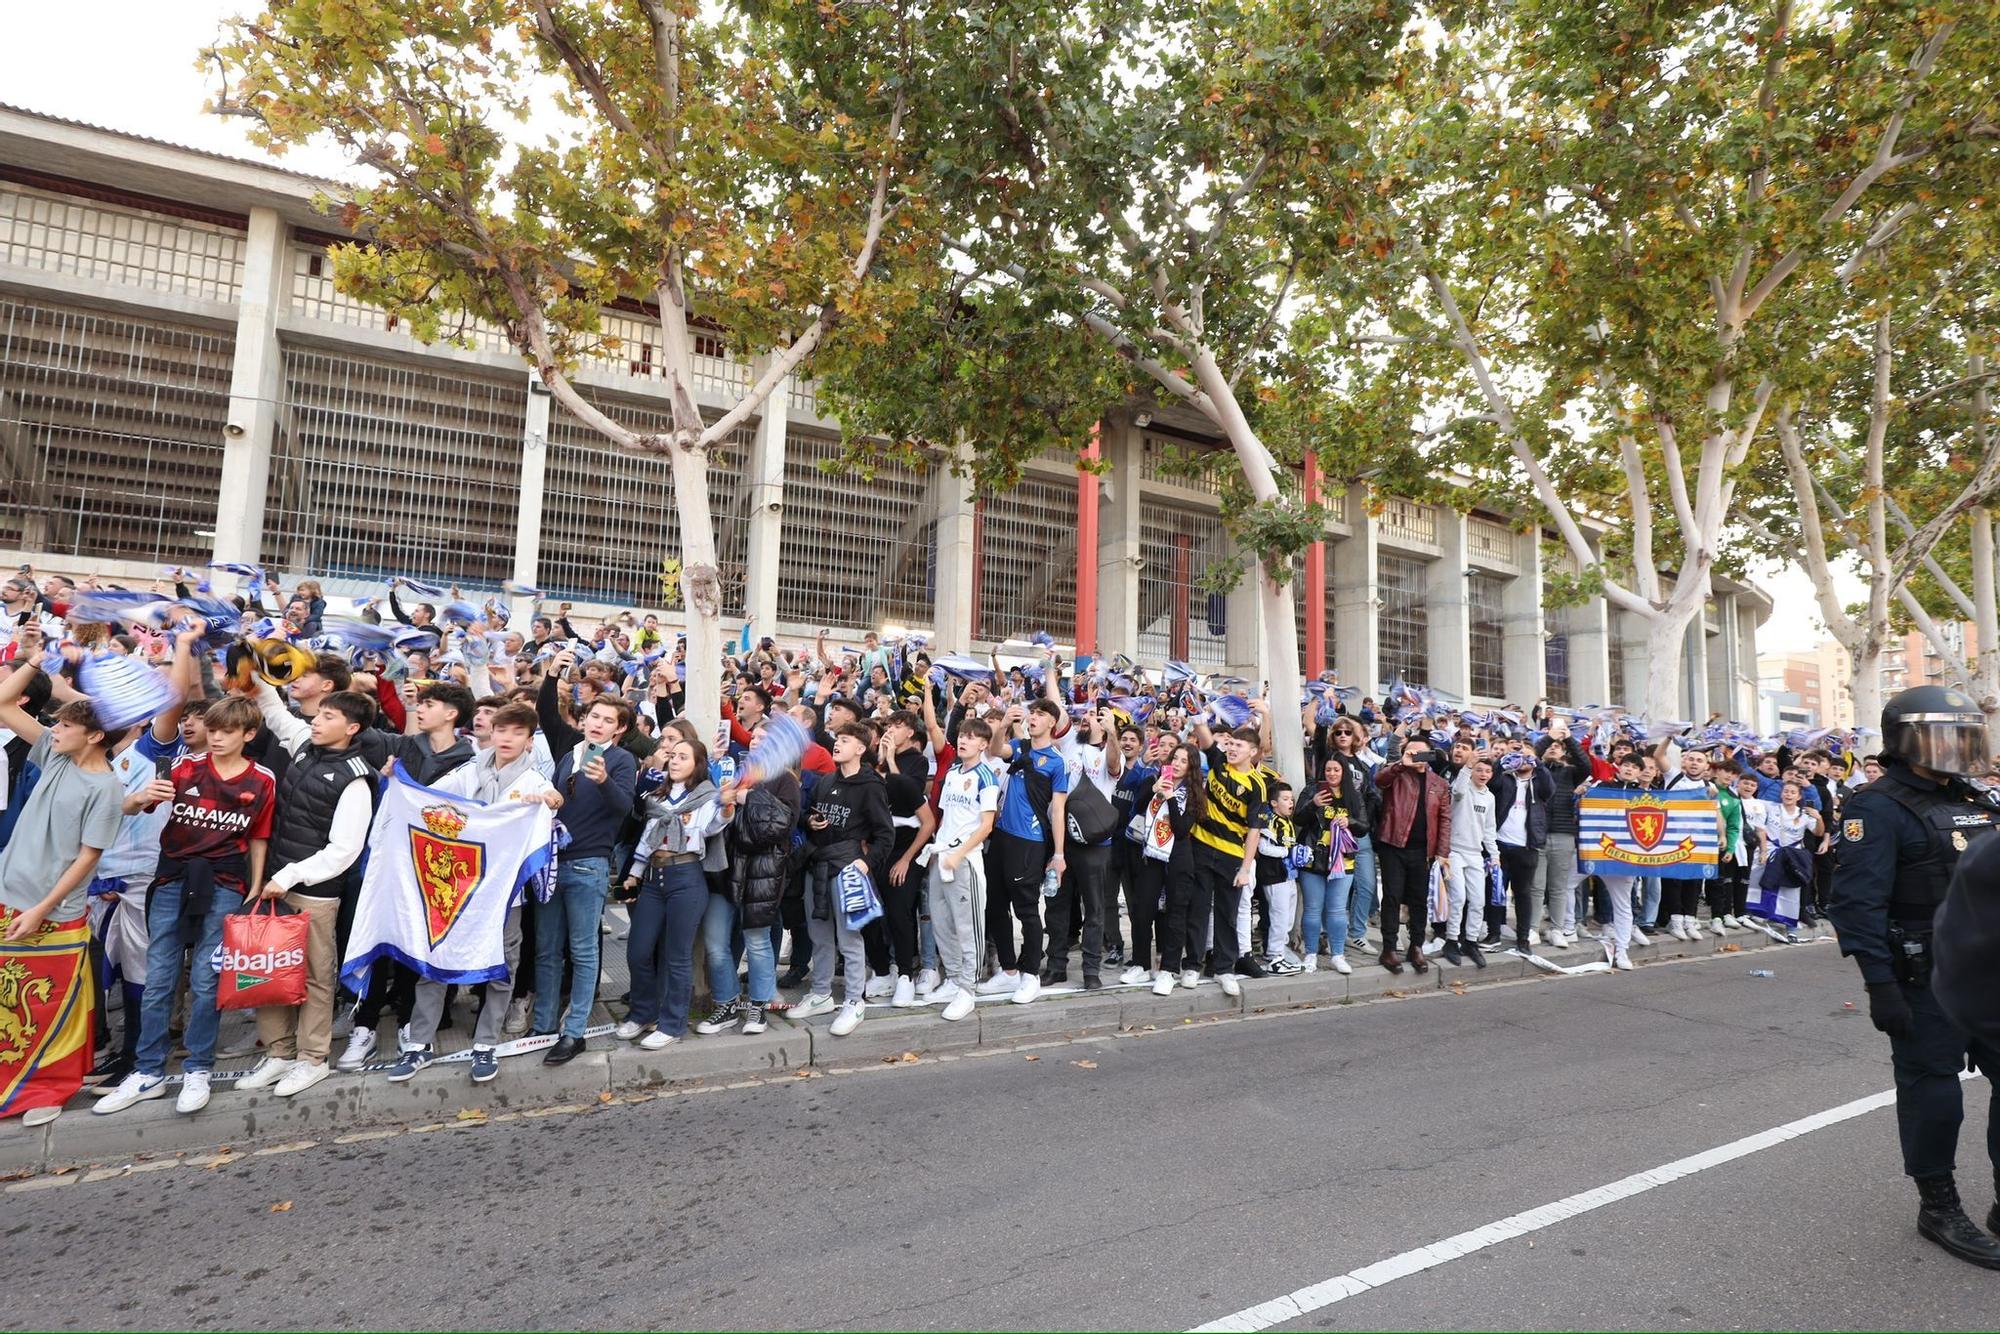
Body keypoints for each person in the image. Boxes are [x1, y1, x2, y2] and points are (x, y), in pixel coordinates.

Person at [1827, 685, 2000, 1269]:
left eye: (1963, 735)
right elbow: (1855, 903)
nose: (1954, 748)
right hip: (1926, 976)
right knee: (1935, 1095)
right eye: (1939, 735)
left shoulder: (1980, 800)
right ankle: (1939, 1206)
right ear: (1903, 741)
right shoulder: (1876, 807)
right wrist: (1880, 984)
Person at [93, 696, 277, 1116]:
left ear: (248, 734)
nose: (215, 737)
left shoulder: (262, 779)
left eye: (226, 731)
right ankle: (148, 1071)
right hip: (173, 877)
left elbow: (259, 837)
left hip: (227, 882)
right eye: (212, 730)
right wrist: (140, 798)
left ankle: (198, 1069)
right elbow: (126, 808)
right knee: (159, 977)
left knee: (207, 982)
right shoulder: (181, 767)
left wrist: (256, 885)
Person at [386, 702, 561, 1084]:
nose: (507, 739)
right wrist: (398, 783)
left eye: (517, 733)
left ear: (530, 742)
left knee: (502, 965)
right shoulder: (469, 771)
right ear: (492, 733)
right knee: (435, 958)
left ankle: (486, 1044)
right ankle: (419, 1043)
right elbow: (427, 798)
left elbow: (553, 798)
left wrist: (548, 802)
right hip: (457, 886)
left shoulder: (532, 782)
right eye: (502, 730)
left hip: (503, 893)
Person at [236, 685, 377, 1098]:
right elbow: (275, 711)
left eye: (329, 717)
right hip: (275, 885)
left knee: (315, 978)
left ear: (352, 728)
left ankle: (312, 1059)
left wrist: (292, 875)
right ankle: (279, 1054)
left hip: (313, 892)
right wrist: (255, 671)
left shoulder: (355, 778)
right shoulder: (304, 748)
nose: (317, 720)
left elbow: (344, 850)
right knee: (268, 972)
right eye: (319, 715)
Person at [0, 658, 125, 1124]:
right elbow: (3, 703)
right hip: (7, 893)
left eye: (66, 724)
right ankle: (12, 1086)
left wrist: (41, 909)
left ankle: (48, 1092)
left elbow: (88, 858)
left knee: (49, 1003)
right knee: (8, 1001)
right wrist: (34, 657)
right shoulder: (53, 753)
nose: (54, 727)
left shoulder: (106, 788)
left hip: (55, 911)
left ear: (93, 736)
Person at [534, 657, 639, 1065]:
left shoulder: (621, 761)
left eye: (607, 720)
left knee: (582, 949)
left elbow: (624, 808)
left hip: (588, 866)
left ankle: (574, 1030)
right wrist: (553, 674)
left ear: (619, 729)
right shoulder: (568, 751)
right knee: (546, 949)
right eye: (593, 715)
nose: (597, 724)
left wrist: (604, 781)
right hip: (552, 863)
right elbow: (545, 711)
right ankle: (542, 1025)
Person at [619, 732, 732, 1050]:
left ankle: (672, 1024)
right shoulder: (656, 797)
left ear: (697, 765)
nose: (675, 760)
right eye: (673, 755)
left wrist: (726, 808)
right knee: (638, 950)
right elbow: (646, 840)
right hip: (654, 880)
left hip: (687, 878)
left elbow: (712, 828)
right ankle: (643, 1014)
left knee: (678, 957)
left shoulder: (708, 797)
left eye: (684, 756)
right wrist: (633, 875)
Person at [793, 722, 893, 1036]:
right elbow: (809, 812)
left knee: (849, 939)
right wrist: (810, 820)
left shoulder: (871, 785)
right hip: (817, 866)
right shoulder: (825, 781)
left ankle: (854, 1000)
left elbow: (885, 835)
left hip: (847, 869)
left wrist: (865, 864)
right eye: (837, 739)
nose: (837, 744)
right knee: (819, 934)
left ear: (860, 749)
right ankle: (821, 993)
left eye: (845, 740)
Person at [981, 698, 1071, 1004]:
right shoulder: (1019, 747)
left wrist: (1058, 855)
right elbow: (995, 750)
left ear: (1051, 724)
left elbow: (1057, 810)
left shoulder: (1057, 762)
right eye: (1031, 713)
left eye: (1040, 715)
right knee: (994, 905)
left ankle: (1030, 973)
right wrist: (1004, 726)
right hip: (1002, 837)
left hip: (1030, 843)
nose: (1033, 718)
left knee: (1027, 911)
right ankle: (1008, 971)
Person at [925, 717, 999, 1022]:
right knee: (940, 922)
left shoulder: (986, 776)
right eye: (961, 736)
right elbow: (946, 816)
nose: (964, 741)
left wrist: (958, 854)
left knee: (968, 927)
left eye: (971, 737)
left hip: (965, 861)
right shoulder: (953, 772)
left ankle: (968, 989)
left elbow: (986, 826)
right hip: (940, 856)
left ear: (983, 744)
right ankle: (953, 977)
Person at [1373, 736, 1450, 976]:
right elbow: (1379, 779)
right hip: (1393, 846)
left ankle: (1416, 946)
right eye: (1412, 752)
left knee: (1418, 900)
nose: (1416, 757)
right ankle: (1389, 948)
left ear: (1430, 754)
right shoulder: (1396, 775)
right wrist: (1401, 764)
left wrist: (1442, 852)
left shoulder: (1439, 783)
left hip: (1422, 852)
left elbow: (1445, 819)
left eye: (1421, 753)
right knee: (1392, 897)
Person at [1295, 755, 1355, 976]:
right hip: (1314, 858)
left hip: (1343, 860)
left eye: (1336, 770)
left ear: (1343, 772)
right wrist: (1313, 805)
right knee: (1312, 908)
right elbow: (1297, 818)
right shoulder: (1312, 790)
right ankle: (1310, 954)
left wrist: (1351, 822)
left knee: (1338, 910)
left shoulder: (1352, 795)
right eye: (1328, 770)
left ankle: (1338, 954)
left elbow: (1365, 826)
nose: (1332, 774)